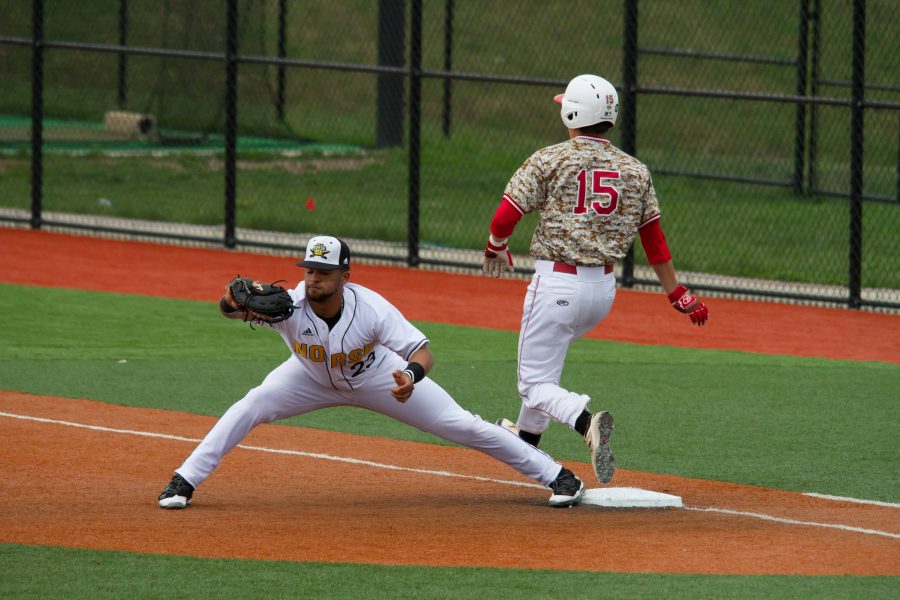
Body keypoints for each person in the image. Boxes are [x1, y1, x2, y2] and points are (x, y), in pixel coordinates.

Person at [158, 235, 586, 509]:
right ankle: (184, 481)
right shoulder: (288, 305)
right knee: (250, 404)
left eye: (324, 273)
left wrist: (410, 378)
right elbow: (230, 311)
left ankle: (558, 476)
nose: (313, 280)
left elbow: (422, 352)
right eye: (309, 271)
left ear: (345, 274)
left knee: (463, 426)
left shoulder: (372, 308)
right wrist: (231, 303)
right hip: (307, 378)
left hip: (379, 377)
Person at [482, 74, 709, 484]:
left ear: (572, 112)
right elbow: (654, 241)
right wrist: (678, 293)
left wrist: (496, 244)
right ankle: (527, 442)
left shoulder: (550, 158)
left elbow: (505, 215)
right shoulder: (635, 171)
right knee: (545, 372)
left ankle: (587, 422)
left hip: (557, 285)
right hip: (602, 294)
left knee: (533, 383)